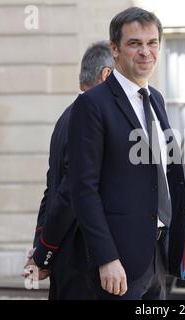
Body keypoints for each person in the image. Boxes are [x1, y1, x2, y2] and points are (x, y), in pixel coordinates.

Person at [67, 7, 185, 300]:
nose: (145, 52)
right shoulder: (93, 104)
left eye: (152, 43)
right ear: (115, 49)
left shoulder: (156, 98)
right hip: (118, 262)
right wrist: (106, 257)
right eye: (135, 43)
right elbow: (82, 189)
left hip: (158, 253)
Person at [22, 41, 114, 299]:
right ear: (106, 75)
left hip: (67, 261)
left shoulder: (67, 116)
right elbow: (67, 194)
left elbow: (49, 193)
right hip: (82, 263)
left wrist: (41, 249)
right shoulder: (89, 119)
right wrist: (43, 254)